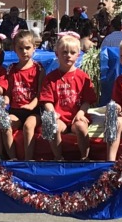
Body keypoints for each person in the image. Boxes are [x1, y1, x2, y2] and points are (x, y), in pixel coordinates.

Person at [40, 33, 95, 161]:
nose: (68, 55)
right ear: (57, 54)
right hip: (60, 117)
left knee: (81, 127)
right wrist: (52, 112)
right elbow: (47, 100)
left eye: (72, 52)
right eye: (64, 52)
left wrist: (81, 113)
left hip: (77, 116)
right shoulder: (51, 78)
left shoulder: (83, 77)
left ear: (78, 55)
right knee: (53, 126)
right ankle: (58, 157)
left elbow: (88, 100)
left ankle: (85, 157)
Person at [4, 30, 43, 158]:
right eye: (20, 48)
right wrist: (5, 101)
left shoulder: (38, 68)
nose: (24, 51)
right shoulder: (11, 69)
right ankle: (12, 158)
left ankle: (28, 159)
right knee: (5, 124)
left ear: (34, 47)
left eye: (27, 48)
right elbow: (8, 92)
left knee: (28, 126)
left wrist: (32, 105)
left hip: (34, 110)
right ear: (15, 49)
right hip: (16, 110)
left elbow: (41, 93)